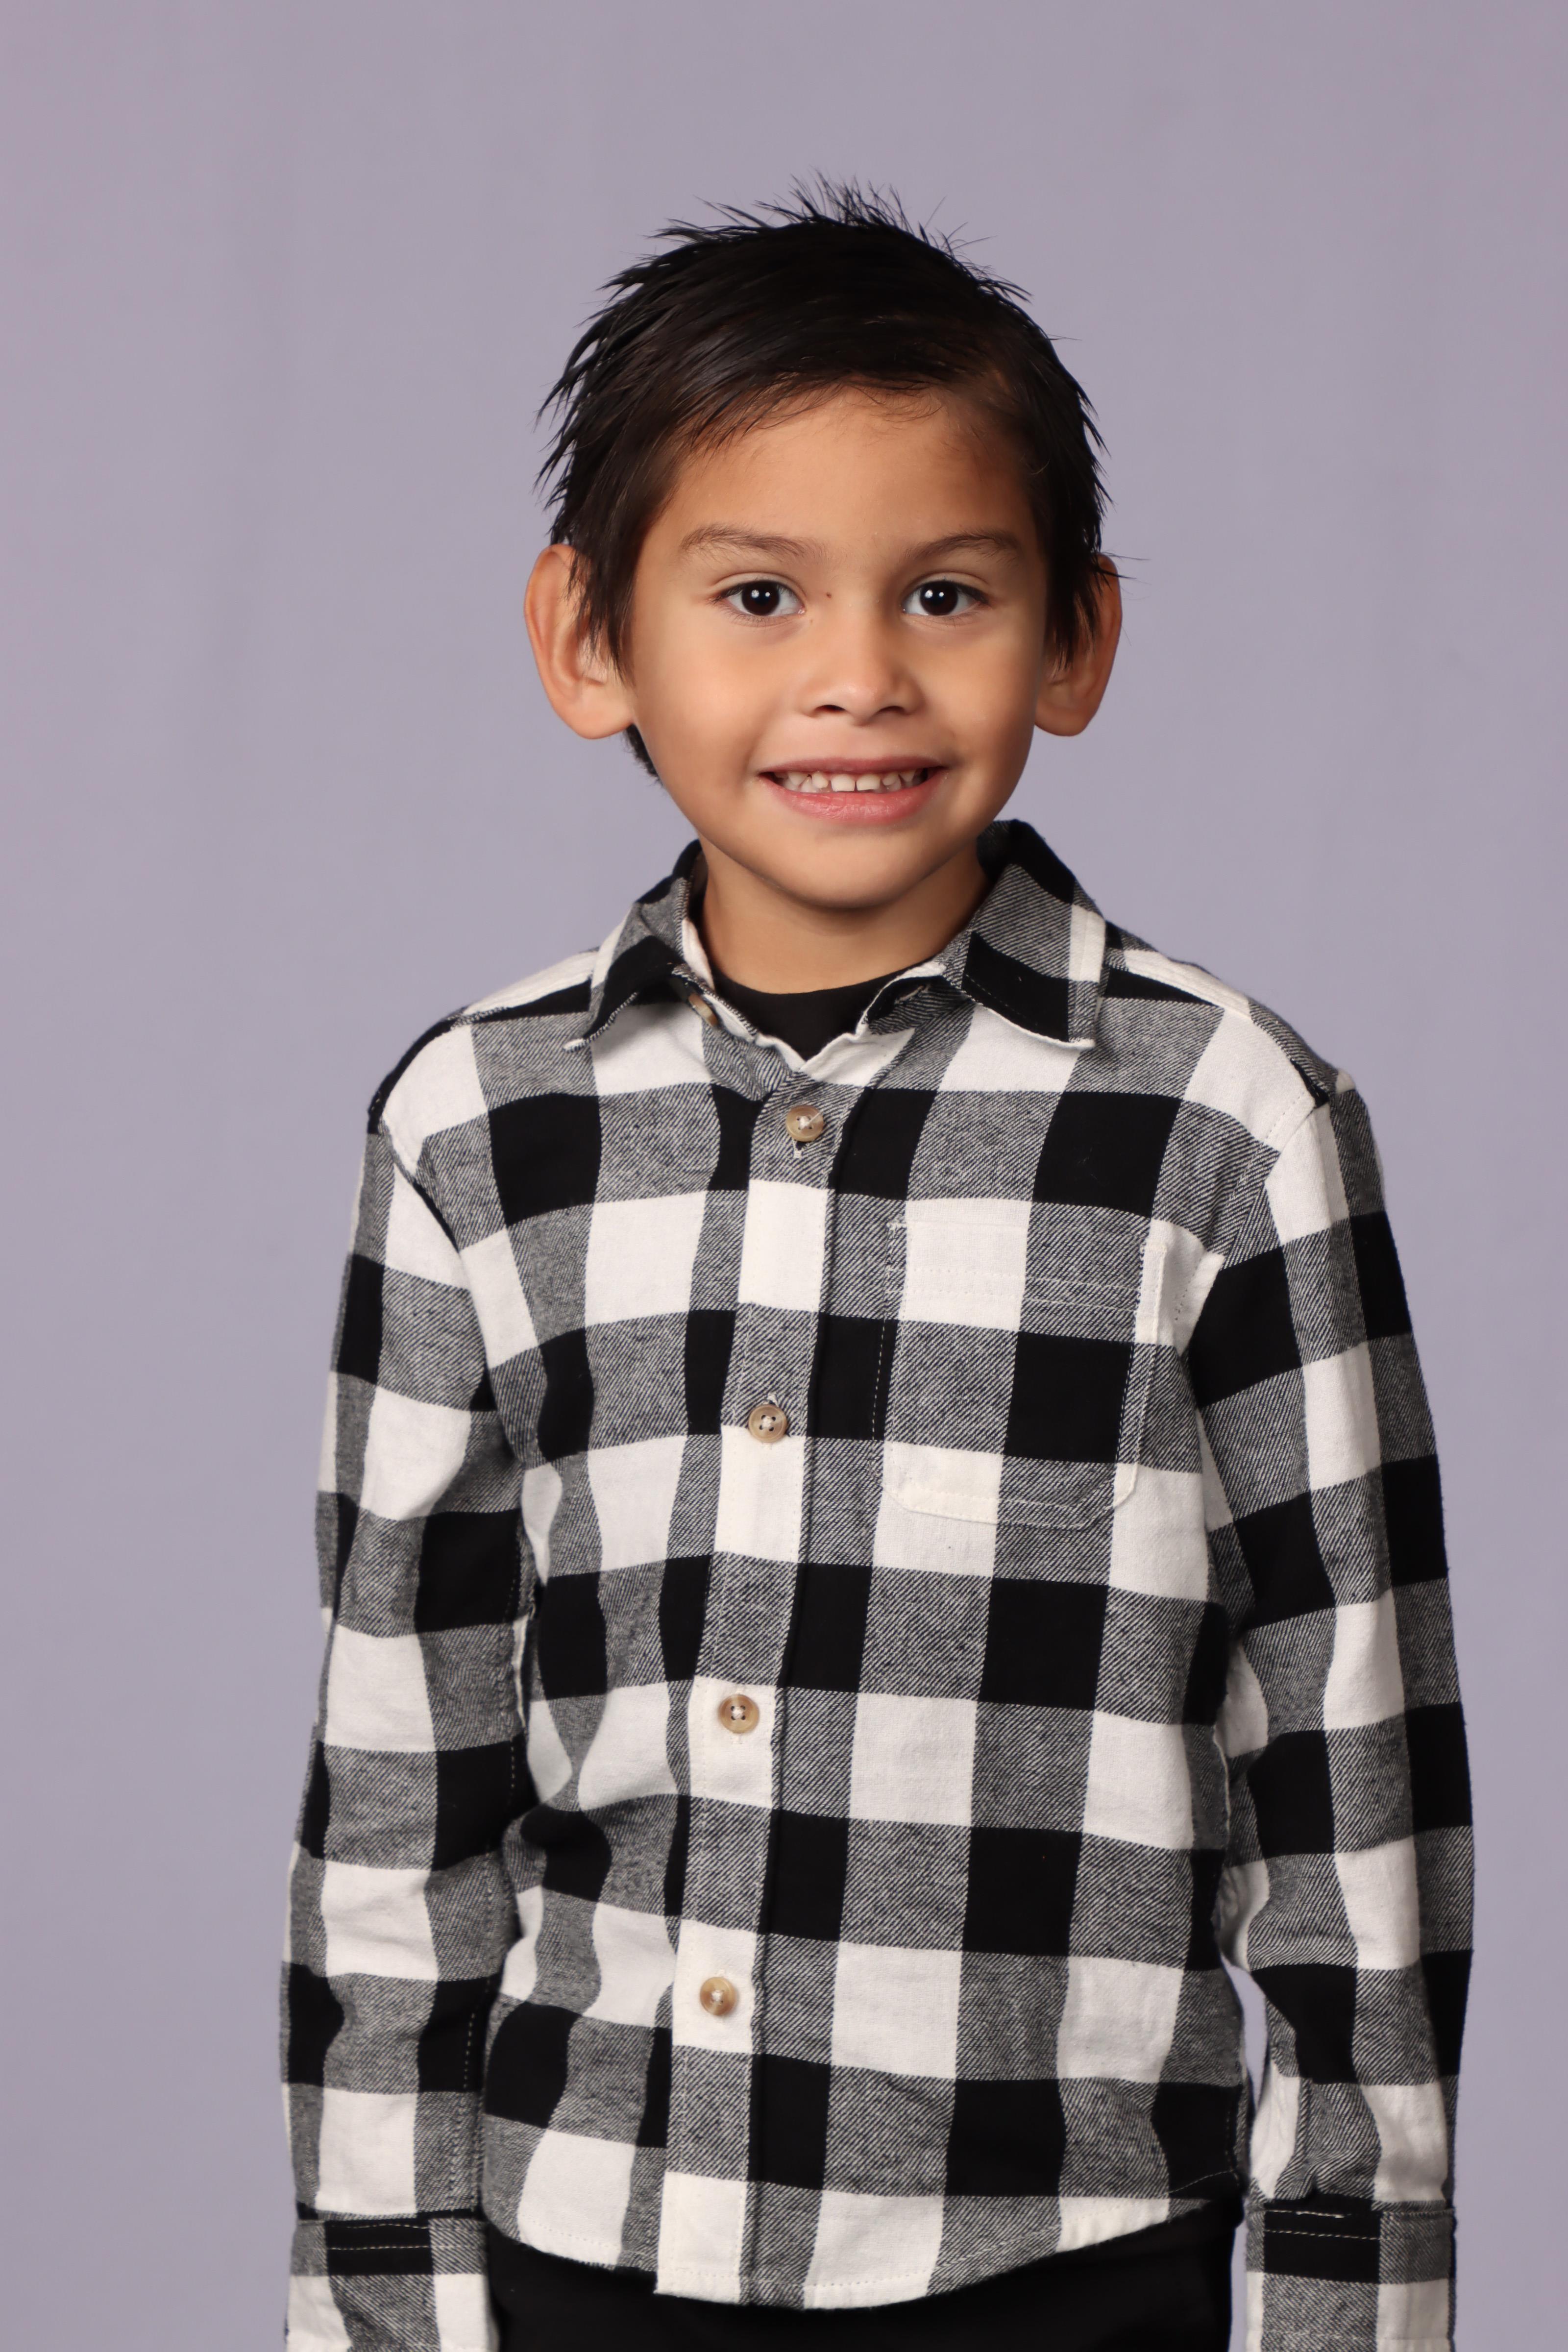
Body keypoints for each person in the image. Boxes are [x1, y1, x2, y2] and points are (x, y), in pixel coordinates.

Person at [281, 185, 1471, 2352]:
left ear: (1076, 639)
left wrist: (1349, 2312)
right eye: (758, 594)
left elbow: (1351, 1794)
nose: (857, 674)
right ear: (588, 638)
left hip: (1064, 2265)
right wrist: (383, 2302)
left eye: (945, 592)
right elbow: (401, 1788)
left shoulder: (1226, 1126)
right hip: (588, 2256)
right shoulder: (472, 1127)